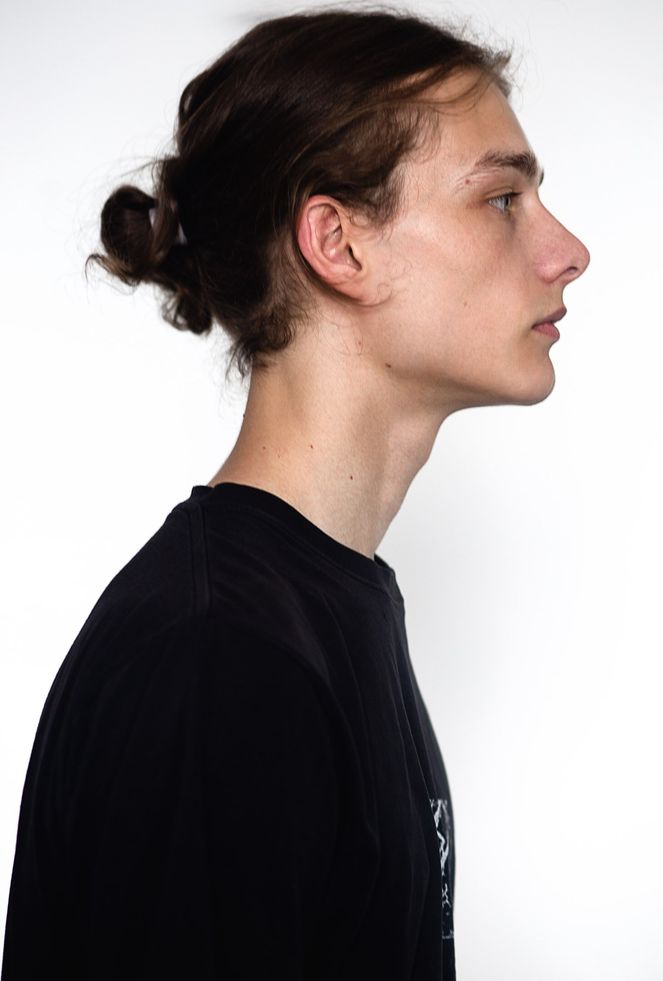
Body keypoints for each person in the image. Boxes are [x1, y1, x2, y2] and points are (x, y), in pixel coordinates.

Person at [1, 4, 589, 980]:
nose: (567, 249)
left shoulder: (334, 601)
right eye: (500, 200)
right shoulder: (219, 662)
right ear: (339, 244)